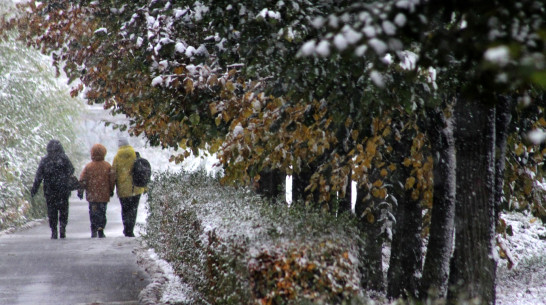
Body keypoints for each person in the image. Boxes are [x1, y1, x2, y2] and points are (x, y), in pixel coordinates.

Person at [31, 139, 75, 239]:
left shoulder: (45, 160)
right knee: (64, 210)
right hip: (63, 190)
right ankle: (62, 228)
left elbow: (39, 176)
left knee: (52, 211)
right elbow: (71, 170)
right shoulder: (64, 158)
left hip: (50, 191)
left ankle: (54, 230)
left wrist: (34, 189)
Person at [78, 143, 115, 238]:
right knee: (102, 212)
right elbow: (112, 179)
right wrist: (111, 189)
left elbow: (82, 179)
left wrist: (81, 190)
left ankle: (93, 228)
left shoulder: (88, 166)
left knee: (93, 212)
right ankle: (101, 227)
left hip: (92, 195)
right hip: (104, 195)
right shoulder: (107, 166)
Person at [112, 137, 145, 237]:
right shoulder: (135, 154)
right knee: (133, 209)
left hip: (123, 189)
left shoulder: (117, 157)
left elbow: (113, 173)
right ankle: (130, 229)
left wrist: (111, 188)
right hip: (135, 188)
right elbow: (142, 171)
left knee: (125, 209)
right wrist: (145, 186)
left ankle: (126, 228)